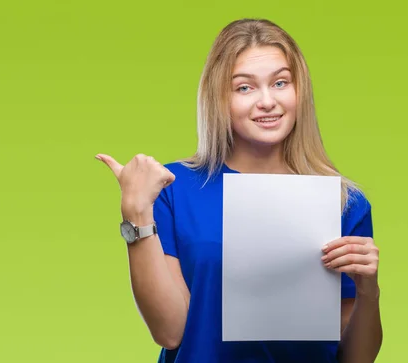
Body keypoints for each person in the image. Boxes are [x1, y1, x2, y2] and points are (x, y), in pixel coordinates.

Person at [96, 18, 382, 363]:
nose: (267, 102)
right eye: (244, 88)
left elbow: (357, 359)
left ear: (298, 91)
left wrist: (369, 291)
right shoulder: (173, 188)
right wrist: (136, 212)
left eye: (280, 83)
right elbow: (169, 331)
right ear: (219, 98)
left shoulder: (343, 203)